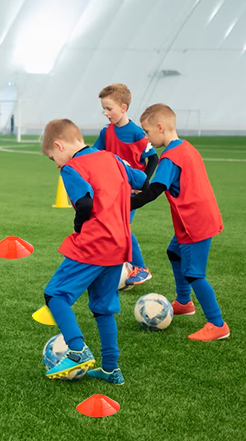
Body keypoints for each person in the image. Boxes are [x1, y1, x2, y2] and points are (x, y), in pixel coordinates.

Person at [40, 119, 147, 384]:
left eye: (54, 158)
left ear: (59, 145)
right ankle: (112, 369)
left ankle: (76, 351)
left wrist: (79, 226)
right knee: (103, 308)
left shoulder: (72, 168)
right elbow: (142, 179)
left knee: (55, 294)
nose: (57, 164)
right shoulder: (111, 158)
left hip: (93, 243)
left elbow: (85, 203)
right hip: (119, 245)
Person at [131, 104, 228, 341]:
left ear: (160, 127)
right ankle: (184, 302)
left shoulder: (170, 157)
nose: (146, 138)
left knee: (195, 274)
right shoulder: (185, 147)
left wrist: (124, 204)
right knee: (174, 252)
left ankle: (217, 325)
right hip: (198, 218)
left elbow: (154, 191)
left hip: (195, 222)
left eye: (146, 131)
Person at [94, 83, 159, 288]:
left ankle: (141, 268)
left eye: (109, 108)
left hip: (129, 192)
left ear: (123, 107)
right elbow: (95, 155)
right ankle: (119, 268)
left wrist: (143, 183)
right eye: (103, 108)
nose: (105, 113)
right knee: (110, 229)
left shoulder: (136, 133)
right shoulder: (106, 132)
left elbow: (153, 158)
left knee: (121, 228)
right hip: (112, 190)